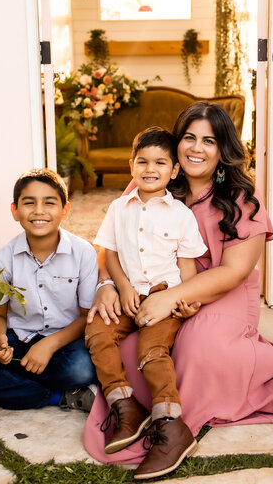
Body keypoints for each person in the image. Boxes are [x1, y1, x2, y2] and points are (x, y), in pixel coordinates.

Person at [83, 102, 273, 472]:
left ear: (223, 148)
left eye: (209, 141)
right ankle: (132, 411)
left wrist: (173, 298)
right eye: (189, 138)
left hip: (221, 291)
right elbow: (112, 239)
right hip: (154, 288)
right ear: (176, 146)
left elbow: (233, 272)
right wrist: (107, 284)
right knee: (127, 344)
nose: (197, 148)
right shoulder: (154, 176)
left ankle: (175, 425)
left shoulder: (242, 201)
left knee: (199, 350)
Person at [85, 127, 207, 479]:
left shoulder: (181, 214)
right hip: (128, 296)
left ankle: (171, 423)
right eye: (142, 161)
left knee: (152, 353)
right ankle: (125, 406)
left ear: (174, 170)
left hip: (163, 299)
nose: (149, 168)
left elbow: (188, 267)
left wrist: (184, 301)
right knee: (97, 333)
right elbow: (107, 254)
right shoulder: (118, 207)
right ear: (131, 165)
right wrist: (120, 287)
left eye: (159, 162)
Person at [0, 168, 98, 413]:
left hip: (65, 341)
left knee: (82, 369)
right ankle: (59, 397)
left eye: (49, 202)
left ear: (65, 210)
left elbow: (86, 316)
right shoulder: (3, 258)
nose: (38, 211)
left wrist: (50, 345)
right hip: (19, 340)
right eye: (28, 203)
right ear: (15, 211)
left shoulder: (83, 252)